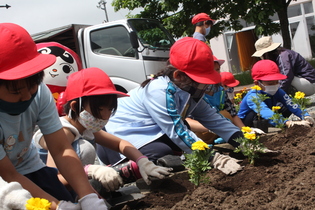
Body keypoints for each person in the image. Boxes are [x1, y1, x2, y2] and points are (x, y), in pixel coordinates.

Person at [97, 37, 245, 176]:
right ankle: (119, 172)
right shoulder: (159, 91)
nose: (205, 85)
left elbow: (213, 119)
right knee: (163, 152)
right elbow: (177, 131)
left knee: (176, 146)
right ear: (178, 75)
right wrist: (214, 158)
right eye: (200, 79)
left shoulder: (187, 89)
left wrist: (245, 143)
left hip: (149, 134)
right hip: (116, 140)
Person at [0, 23, 107, 209]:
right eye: (16, 91)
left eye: (31, 86)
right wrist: (58, 206)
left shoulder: (40, 93)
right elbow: (8, 175)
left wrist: (88, 195)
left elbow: (60, 149)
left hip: (30, 166)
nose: (26, 96)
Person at [33, 67, 172, 192]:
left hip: (75, 187)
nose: (105, 115)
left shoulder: (85, 128)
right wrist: (90, 171)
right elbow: (54, 179)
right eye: (99, 109)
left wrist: (143, 162)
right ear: (75, 106)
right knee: (85, 147)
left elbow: (120, 144)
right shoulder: (63, 132)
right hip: (46, 192)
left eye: (110, 109)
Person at [186, 56, 263, 144]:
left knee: (225, 114)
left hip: (219, 126)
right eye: (211, 70)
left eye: (217, 69)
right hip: (200, 131)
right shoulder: (194, 93)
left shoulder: (220, 91)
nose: (215, 73)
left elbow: (232, 114)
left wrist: (245, 131)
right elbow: (187, 120)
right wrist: (211, 127)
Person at [238, 59, 315, 128]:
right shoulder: (253, 96)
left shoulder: (278, 91)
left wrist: (305, 116)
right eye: (270, 83)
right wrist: (288, 123)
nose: (274, 85)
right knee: (255, 113)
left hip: (265, 118)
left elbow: (291, 103)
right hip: (247, 123)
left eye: (277, 82)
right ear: (257, 83)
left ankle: (277, 123)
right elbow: (264, 111)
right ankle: (278, 124)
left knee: (285, 108)